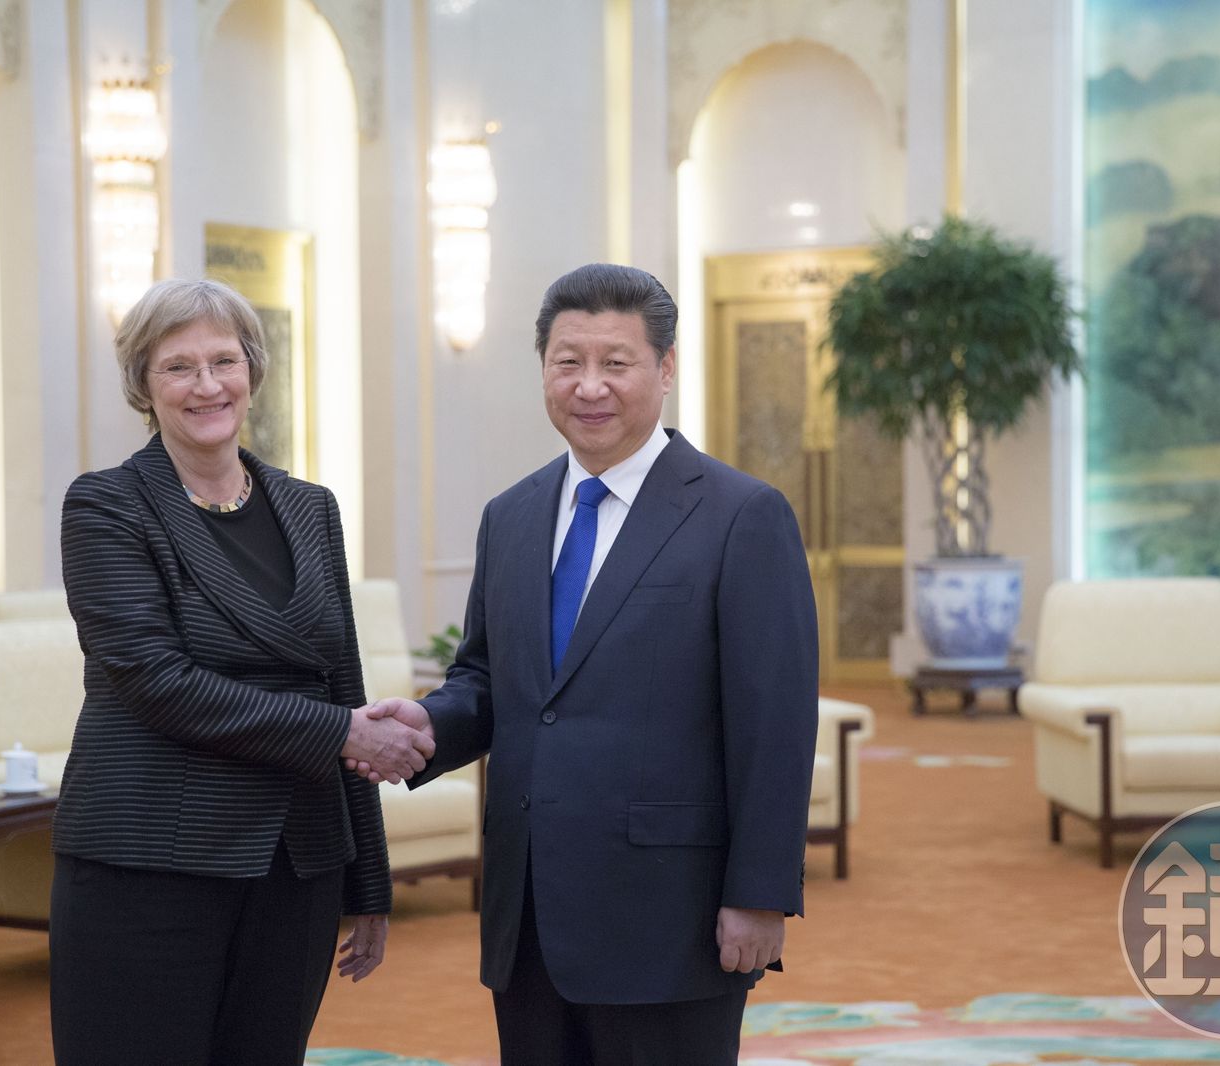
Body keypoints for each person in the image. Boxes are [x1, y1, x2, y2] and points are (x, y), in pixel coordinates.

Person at [355, 263, 819, 1065]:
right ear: (543, 368)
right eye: (568, 362)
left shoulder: (741, 515)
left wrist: (760, 893)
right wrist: (428, 722)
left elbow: (774, 725)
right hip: (529, 913)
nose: (590, 386)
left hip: (670, 918)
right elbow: (490, 681)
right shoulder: (511, 515)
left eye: (616, 362)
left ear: (665, 369)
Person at [50, 277, 434, 1065]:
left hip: (296, 865)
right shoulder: (106, 506)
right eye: (178, 367)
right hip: (151, 861)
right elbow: (156, 681)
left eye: (224, 361)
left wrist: (368, 880)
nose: (207, 385)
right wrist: (340, 733)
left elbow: (342, 682)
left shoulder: (310, 507)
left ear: (253, 371)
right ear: (143, 385)